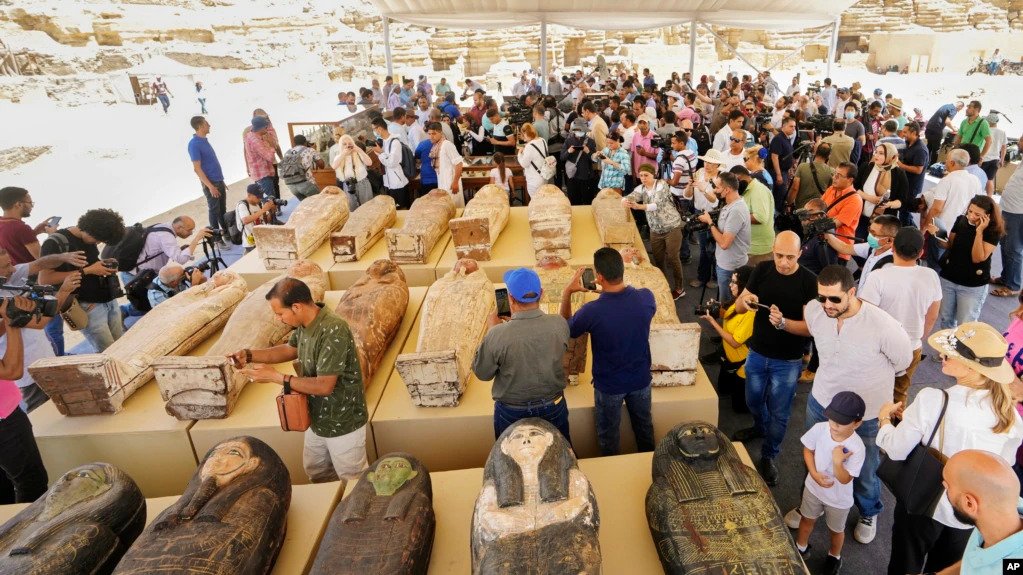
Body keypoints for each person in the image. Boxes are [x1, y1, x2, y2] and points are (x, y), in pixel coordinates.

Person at [877, 322, 1023, 575]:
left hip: (922, 503)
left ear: (970, 367)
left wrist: (884, 421)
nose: (942, 355)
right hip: (970, 519)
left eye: (949, 353)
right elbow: (1002, 467)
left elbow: (896, 449)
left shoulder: (933, 399)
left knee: (905, 563)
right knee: (951, 566)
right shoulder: (1010, 417)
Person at [785, 264, 913, 545]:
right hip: (821, 403)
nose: (827, 305)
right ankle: (810, 503)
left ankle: (868, 511)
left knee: (865, 467)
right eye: (822, 297)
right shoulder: (816, 311)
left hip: (865, 415)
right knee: (815, 457)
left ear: (852, 292)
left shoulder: (883, 326)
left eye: (834, 299)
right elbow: (811, 330)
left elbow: (904, 362)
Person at [234, 278, 368, 482]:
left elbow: (324, 385)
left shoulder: (333, 329)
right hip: (316, 418)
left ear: (296, 307)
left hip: (343, 421)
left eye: (280, 313)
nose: (278, 319)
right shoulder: (306, 323)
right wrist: (250, 355)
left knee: (352, 479)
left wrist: (276, 377)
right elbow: (289, 349)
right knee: (317, 470)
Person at [732, 231, 818, 485]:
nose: (783, 262)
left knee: (780, 414)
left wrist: (783, 324)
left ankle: (769, 454)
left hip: (788, 361)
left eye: (790, 257)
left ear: (800, 254)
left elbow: (810, 328)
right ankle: (760, 426)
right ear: (772, 250)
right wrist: (745, 301)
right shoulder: (762, 270)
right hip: (757, 352)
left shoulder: (808, 282)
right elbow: (738, 305)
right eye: (779, 255)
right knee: (753, 400)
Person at [561, 248, 656, 456]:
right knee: (645, 429)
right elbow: (625, 304)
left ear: (599, 277)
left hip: (609, 385)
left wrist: (567, 292)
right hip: (640, 379)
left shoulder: (591, 312)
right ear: (622, 269)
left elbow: (566, 328)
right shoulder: (646, 298)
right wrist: (605, 291)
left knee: (608, 436)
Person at [472, 268, 570, 440]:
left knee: (511, 463)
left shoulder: (497, 334)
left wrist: (492, 330)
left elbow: (483, 373)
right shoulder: (559, 324)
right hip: (553, 405)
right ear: (542, 293)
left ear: (510, 298)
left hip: (512, 411)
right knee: (560, 456)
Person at [859, 226, 941, 406]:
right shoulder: (931, 276)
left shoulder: (878, 277)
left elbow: (866, 315)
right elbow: (933, 315)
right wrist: (919, 337)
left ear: (893, 248)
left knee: (870, 391)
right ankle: (894, 428)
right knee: (900, 393)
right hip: (912, 346)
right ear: (921, 252)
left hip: (880, 347)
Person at [0, 247, 83, 412]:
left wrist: (64, 256)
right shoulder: (3, 301)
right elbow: (41, 322)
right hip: (29, 374)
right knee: (44, 415)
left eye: (11, 263)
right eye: (7, 267)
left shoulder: (9, 281)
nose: (13, 269)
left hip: (43, 360)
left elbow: (40, 263)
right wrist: (64, 290)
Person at [793, 391, 867, 575]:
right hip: (813, 488)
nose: (834, 425)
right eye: (832, 418)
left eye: (841, 422)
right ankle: (800, 547)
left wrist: (837, 461)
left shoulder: (857, 447)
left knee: (836, 530)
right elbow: (808, 450)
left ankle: (834, 556)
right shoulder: (820, 428)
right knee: (806, 519)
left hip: (838, 499)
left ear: (857, 423)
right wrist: (813, 473)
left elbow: (845, 479)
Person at [38, 209, 126, 353]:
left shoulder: (90, 235)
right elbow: (45, 278)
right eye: (97, 239)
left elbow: (90, 262)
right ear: (88, 228)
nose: (98, 242)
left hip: (108, 298)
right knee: (109, 353)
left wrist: (104, 264)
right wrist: (88, 270)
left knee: (122, 344)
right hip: (87, 305)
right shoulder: (55, 243)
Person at [0, 296, 51, 504]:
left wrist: (12, 317)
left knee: (5, 486)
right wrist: (13, 323)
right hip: (5, 421)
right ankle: (31, 532)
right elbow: (11, 370)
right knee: (32, 481)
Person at [938, 450, 1023, 574]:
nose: (945, 488)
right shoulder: (999, 510)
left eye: (947, 486)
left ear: (969, 504)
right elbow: (975, 561)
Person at [929, 195, 1003, 328]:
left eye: (977, 214)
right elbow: (950, 245)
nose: (971, 216)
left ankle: (962, 349)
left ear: (987, 216)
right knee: (946, 320)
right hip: (949, 277)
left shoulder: (993, 231)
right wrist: (937, 235)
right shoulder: (961, 220)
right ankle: (945, 349)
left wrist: (979, 232)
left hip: (972, 284)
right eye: (970, 211)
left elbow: (978, 258)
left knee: (966, 324)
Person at [623, 164, 686, 299]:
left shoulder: (662, 185)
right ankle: (663, 285)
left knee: (673, 258)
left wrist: (638, 206)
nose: (643, 178)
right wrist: (625, 200)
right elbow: (632, 195)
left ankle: (680, 288)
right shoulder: (641, 188)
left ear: (654, 175)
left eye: (646, 175)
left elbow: (656, 205)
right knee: (658, 259)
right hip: (655, 230)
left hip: (672, 227)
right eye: (641, 176)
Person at [699, 265, 754, 414]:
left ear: (745, 286)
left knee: (739, 408)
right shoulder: (737, 301)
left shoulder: (750, 312)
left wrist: (712, 322)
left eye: (734, 282)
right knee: (722, 391)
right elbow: (729, 315)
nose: (730, 285)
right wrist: (717, 309)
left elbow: (735, 342)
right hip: (728, 358)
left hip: (742, 365)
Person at [700, 171, 750, 303]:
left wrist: (709, 222)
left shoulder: (736, 211)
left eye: (717, 187)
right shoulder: (730, 204)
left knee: (726, 303)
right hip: (726, 262)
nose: (714, 190)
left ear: (727, 190)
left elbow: (724, 243)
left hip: (729, 266)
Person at [121, 215, 210, 285]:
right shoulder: (166, 236)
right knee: (143, 306)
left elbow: (159, 249)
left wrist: (179, 249)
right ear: (179, 227)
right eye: (189, 230)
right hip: (136, 275)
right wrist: (197, 238)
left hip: (141, 273)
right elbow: (181, 259)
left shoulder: (163, 227)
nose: (191, 233)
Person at [923, 148, 980, 250]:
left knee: (934, 260)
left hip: (942, 228)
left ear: (952, 163)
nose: (945, 162)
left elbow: (936, 209)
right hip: (963, 229)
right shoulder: (975, 180)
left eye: (947, 160)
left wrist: (924, 228)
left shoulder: (947, 180)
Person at [187, 116, 227, 240]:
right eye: (206, 123)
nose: (209, 125)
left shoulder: (204, 140)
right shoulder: (194, 144)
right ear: (200, 126)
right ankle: (217, 239)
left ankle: (226, 233)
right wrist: (210, 186)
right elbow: (197, 168)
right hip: (211, 183)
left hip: (218, 181)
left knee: (222, 210)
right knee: (214, 211)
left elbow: (210, 163)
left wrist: (221, 181)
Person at [731, 165, 775, 266]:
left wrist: (735, 217)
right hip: (749, 247)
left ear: (739, 178)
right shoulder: (746, 189)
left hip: (758, 250)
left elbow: (760, 217)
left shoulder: (758, 191)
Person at [0, 186, 56, 264]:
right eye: (30, 203)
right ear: (18, 204)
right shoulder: (21, 228)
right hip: (31, 275)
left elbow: (15, 242)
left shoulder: (2, 223)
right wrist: (52, 235)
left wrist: (34, 232)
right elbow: (45, 260)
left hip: (14, 273)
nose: (32, 206)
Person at [821, 163, 863, 260]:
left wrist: (815, 222)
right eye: (834, 173)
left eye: (838, 176)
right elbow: (819, 208)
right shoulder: (831, 189)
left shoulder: (855, 200)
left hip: (838, 250)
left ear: (850, 180)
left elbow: (835, 223)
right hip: (822, 242)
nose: (834, 177)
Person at [995, 159, 1023, 298]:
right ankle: (1005, 278)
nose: (1019, 141)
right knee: (1004, 245)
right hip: (1007, 209)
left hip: (1019, 212)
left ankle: (1013, 285)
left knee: (1013, 248)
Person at [371, 117, 410, 209]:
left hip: (397, 182)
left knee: (401, 209)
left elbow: (392, 163)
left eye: (373, 129)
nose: (374, 132)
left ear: (379, 129)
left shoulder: (395, 142)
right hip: (388, 182)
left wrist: (380, 152)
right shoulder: (384, 141)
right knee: (392, 209)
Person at [897, 122, 929, 226]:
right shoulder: (908, 143)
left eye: (905, 132)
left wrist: (901, 165)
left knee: (904, 212)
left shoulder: (920, 149)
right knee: (904, 210)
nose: (903, 134)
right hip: (904, 183)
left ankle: (907, 233)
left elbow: (918, 169)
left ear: (914, 132)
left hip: (912, 186)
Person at [331, 134, 375, 211]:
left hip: (363, 183)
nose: (347, 145)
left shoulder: (358, 154)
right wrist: (343, 154)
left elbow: (369, 163)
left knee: (367, 207)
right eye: (344, 144)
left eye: (350, 143)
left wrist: (359, 150)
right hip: (348, 185)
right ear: (340, 146)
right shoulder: (339, 157)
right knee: (352, 209)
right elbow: (334, 166)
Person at [426, 121, 464, 207]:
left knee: (454, 208)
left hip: (451, 183)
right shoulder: (436, 146)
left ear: (440, 132)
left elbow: (459, 163)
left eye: (434, 133)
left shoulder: (447, 145)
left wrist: (455, 182)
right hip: (443, 182)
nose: (431, 136)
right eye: (429, 134)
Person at [562, 118, 597, 206]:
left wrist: (588, 152)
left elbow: (594, 160)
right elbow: (562, 157)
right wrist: (568, 152)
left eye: (582, 130)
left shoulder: (590, 142)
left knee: (587, 201)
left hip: (586, 176)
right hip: (572, 176)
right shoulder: (568, 141)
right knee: (573, 201)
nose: (580, 132)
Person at [787, 143, 833, 210]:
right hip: (818, 209)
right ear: (828, 156)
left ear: (815, 152)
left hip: (801, 208)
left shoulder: (802, 167)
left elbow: (795, 188)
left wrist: (789, 202)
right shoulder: (831, 171)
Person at [280, 134, 323, 201]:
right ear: (305, 142)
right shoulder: (310, 150)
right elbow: (322, 165)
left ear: (294, 143)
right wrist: (314, 150)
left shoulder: (287, 152)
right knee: (319, 203)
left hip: (291, 186)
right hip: (306, 183)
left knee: (306, 206)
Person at [236, 184, 276, 253]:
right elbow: (245, 220)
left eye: (260, 196)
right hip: (251, 243)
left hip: (262, 238)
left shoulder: (258, 204)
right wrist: (263, 210)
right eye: (257, 197)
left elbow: (266, 220)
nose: (260, 199)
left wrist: (271, 211)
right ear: (249, 195)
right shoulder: (242, 205)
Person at [244, 116, 277, 199]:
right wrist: (271, 146)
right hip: (263, 175)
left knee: (266, 199)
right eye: (266, 126)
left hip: (258, 175)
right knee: (270, 201)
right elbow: (270, 157)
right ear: (260, 128)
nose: (267, 128)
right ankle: (273, 211)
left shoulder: (249, 135)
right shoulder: (256, 141)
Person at [981, 114, 1008, 196]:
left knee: (979, 178)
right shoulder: (1002, 132)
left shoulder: (986, 130)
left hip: (984, 158)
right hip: (995, 159)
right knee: (990, 180)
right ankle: (989, 198)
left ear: (988, 121)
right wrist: (1002, 160)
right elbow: (1004, 148)